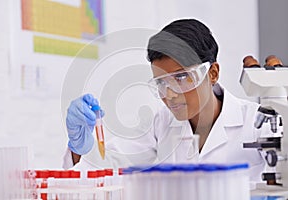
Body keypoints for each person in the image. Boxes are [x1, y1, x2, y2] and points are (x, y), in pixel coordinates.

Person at [63, 19, 267, 182]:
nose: (169, 94)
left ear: (212, 73)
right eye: (161, 83)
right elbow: (105, 169)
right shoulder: (160, 124)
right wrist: (79, 148)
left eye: (181, 77)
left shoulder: (259, 123)